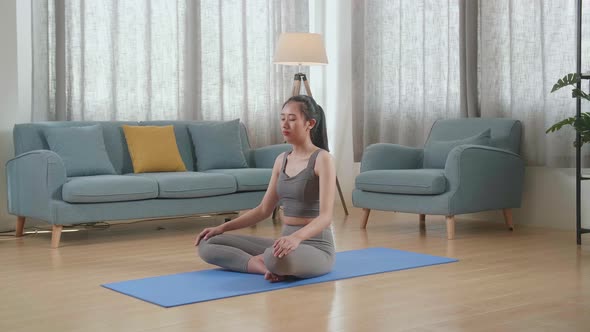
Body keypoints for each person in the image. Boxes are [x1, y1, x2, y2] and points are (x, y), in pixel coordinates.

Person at [194, 95, 336, 282]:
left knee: (275, 257)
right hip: (283, 244)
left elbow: (326, 217)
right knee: (207, 243)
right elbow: (263, 210)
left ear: (310, 123)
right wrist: (221, 228)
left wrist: (296, 238)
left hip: (315, 246)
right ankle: (261, 268)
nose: (285, 124)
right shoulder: (281, 160)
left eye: (292, 119)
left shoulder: (322, 159)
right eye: (282, 118)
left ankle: (265, 262)